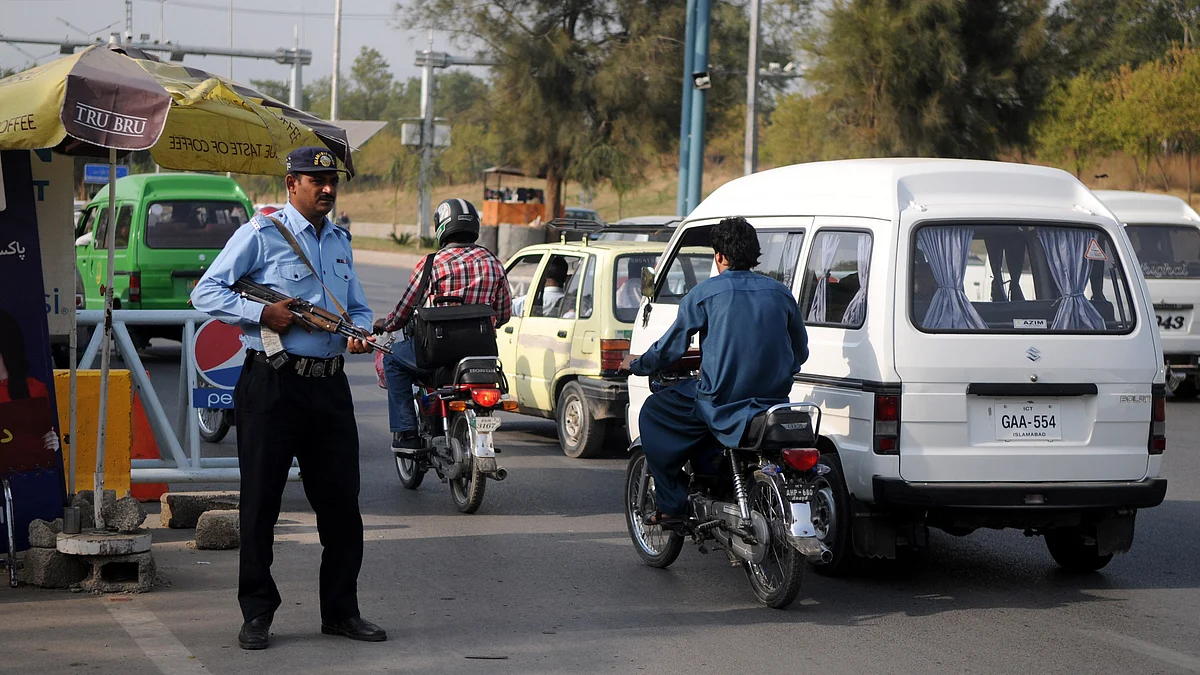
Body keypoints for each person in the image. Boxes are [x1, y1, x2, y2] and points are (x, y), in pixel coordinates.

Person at [190, 147, 385, 651]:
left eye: (332, 180)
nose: (327, 188)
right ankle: (257, 613)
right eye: (316, 179)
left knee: (342, 505)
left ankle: (341, 612)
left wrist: (360, 333)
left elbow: (358, 308)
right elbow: (206, 291)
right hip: (272, 384)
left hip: (330, 385)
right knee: (261, 506)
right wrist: (262, 315)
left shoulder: (339, 241)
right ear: (291, 183)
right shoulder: (261, 234)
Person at [622, 217, 809, 525]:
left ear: (720, 256)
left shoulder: (705, 294)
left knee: (654, 412)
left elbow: (670, 349)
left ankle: (672, 505)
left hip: (719, 402)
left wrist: (637, 363)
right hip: (773, 403)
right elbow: (799, 352)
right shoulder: (780, 293)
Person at [373, 198, 512, 453]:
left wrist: (387, 324)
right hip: (482, 355)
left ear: (442, 227)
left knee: (392, 360)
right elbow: (503, 315)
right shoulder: (494, 262)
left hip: (435, 353)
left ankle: (406, 433)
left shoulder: (431, 263)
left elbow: (404, 310)